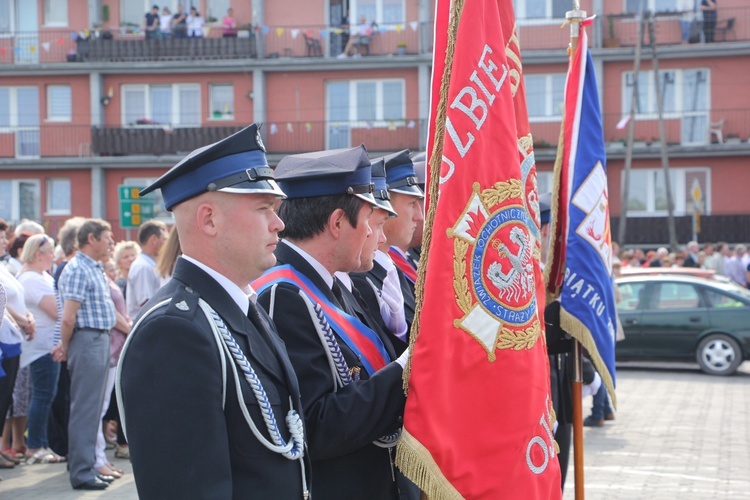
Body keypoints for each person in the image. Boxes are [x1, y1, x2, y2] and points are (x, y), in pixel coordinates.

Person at [117, 124, 310, 498]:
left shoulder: (243, 306)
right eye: (263, 208)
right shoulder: (174, 331)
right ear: (208, 219)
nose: (279, 223)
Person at [256, 146, 408, 499]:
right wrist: (408, 369)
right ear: (338, 222)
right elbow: (317, 425)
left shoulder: (334, 283)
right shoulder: (284, 295)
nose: (377, 235)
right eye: (371, 220)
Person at [52, 219, 117, 491]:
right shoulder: (79, 268)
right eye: (107, 238)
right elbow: (68, 318)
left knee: (91, 411)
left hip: (97, 339)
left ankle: (87, 466)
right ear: (91, 238)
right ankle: (81, 472)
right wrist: (65, 346)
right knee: (85, 410)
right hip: (87, 340)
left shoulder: (93, 268)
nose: (111, 243)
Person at [16, 234, 66, 464]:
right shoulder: (31, 278)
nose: (53, 257)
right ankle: (35, 445)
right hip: (41, 348)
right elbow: (57, 310)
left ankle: (41, 443)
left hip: (47, 345)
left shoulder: (38, 275)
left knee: (46, 395)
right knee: (43, 395)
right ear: (38, 254)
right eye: (50, 253)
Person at [93, 256, 130, 481]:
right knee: (99, 406)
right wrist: (129, 327)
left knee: (104, 403)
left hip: (115, 346)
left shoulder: (104, 277)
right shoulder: (99, 277)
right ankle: (97, 459)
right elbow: (111, 312)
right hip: (111, 345)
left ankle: (100, 458)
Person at [126, 219, 167, 319]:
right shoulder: (143, 267)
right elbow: (146, 303)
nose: (167, 244)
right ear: (154, 240)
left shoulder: (149, 264)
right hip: (147, 324)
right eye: (164, 239)